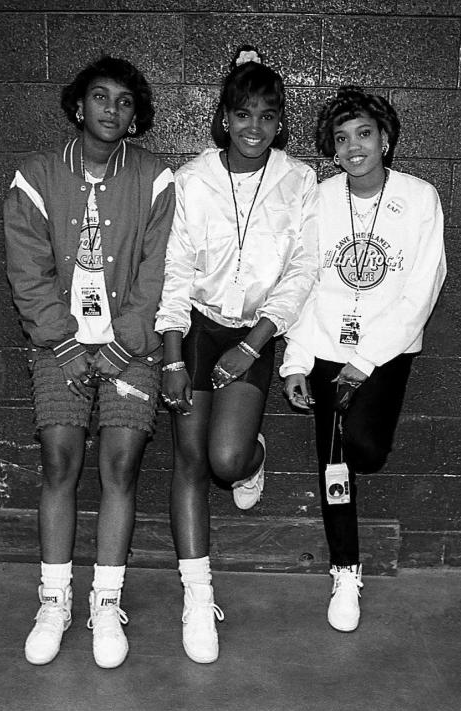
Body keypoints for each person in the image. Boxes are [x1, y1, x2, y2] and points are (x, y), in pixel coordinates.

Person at [3, 56, 174, 668]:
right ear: (80, 106)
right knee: (59, 458)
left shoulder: (155, 179)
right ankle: (55, 599)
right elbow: (28, 271)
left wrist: (122, 345)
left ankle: (106, 600)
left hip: (132, 347)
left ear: (135, 117)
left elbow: (157, 273)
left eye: (125, 102)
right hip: (59, 344)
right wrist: (69, 342)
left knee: (122, 464)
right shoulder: (35, 176)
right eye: (100, 97)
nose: (111, 109)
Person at [154, 45, 318, 663]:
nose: (254, 128)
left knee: (225, 460)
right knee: (190, 459)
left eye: (268, 116)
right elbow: (173, 269)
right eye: (243, 114)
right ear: (223, 117)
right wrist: (171, 353)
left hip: (256, 329)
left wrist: (254, 345)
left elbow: (304, 270)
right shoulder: (191, 179)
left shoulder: (299, 182)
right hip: (195, 326)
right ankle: (198, 599)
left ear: (280, 124)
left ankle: (254, 458)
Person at [281, 86, 446, 633]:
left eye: (364, 134)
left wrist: (368, 358)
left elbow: (423, 288)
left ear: (386, 138)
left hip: (386, 348)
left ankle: (346, 557)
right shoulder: (320, 198)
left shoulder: (420, 197)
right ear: (332, 148)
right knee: (335, 463)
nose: (354, 147)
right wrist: (297, 360)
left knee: (366, 448)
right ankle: (345, 569)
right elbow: (306, 282)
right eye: (342, 138)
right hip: (326, 347)